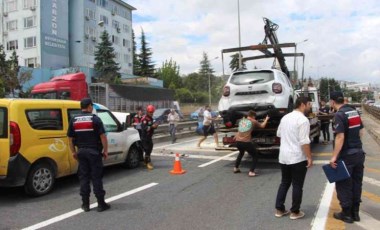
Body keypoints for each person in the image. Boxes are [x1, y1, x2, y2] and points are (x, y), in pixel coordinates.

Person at [67, 98, 110, 212]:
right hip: (94, 152)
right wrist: (105, 151)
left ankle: (85, 205)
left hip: (81, 152)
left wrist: (73, 152)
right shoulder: (95, 119)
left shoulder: (74, 120)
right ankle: (101, 204)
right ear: (90, 106)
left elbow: (70, 139)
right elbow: (103, 137)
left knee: (84, 178)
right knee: (96, 177)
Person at [274, 96, 313, 220]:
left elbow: (278, 134)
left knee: (285, 182)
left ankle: (279, 209)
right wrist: (309, 157)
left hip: (284, 156)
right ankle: (295, 212)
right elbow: (304, 142)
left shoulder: (285, 117)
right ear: (303, 104)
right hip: (297, 157)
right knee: (297, 185)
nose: (310, 106)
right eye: (309, 104)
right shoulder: (303, 120)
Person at [330, 91, 365, 223]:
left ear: (332, 102)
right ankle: (355, 212)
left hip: (346, 155)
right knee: (357, 183)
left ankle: (346, 214)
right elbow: (361, 131)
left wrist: (334, 157)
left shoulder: (339, 115)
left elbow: (340, 137)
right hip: (358, 153)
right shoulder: (353, 111)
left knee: (344, 183)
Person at [233, 110, 269, 176]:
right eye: (255, 117)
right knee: (255, 155)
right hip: (246, 142)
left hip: (238, 142)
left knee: (241, 153)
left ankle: (236, 167)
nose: (255, 118)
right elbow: (262, 126)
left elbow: (240, 130)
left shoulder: (242, 121)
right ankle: (251, 171)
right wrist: (266, 119)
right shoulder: (253, 121)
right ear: (253, 116)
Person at [141, 105, 159, 170]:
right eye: (150, 112)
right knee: (147, 150)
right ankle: (148, 162)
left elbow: (154, 124)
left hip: (149, 137)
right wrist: (151, 127)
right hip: (144, 137)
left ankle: (145, 161)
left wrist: (156, 125)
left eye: (152, 112)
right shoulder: (144, 119)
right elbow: (144, 128)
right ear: (147, 112)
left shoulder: (151, 118)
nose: (151, 113)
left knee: (150, 148)